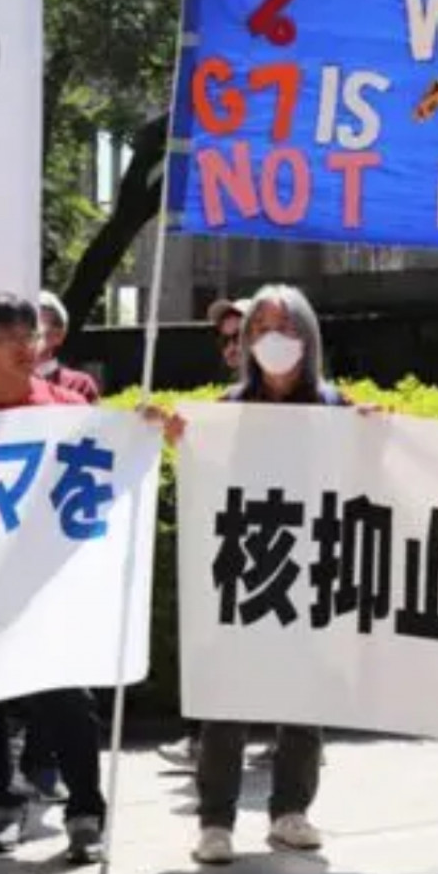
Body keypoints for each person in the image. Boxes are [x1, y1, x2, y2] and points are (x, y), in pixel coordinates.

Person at [169, 284, 366, 868]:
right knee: (226, 702)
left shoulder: (335, 407)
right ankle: (215, 821)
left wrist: (376, 432)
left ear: (308, 338)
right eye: (261, 330)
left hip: (311, 568)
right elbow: (205, 478)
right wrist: (180, 438)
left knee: (304, 699)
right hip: (245, 565)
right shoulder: (226, 409)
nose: (273, 342)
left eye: (285, 329)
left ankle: (290, 811)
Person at [0, 293, 109, 864]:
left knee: (68, 702)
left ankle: (86, 812)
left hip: (46, 586)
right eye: (8, 338)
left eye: (29, 336)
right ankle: (2, 808)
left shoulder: (66, 409)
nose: (24, 348)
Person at [160, 297, 254, 773]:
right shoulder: (221, 406)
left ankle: (297, 738)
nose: (232, 346)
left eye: (242, 335)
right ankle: (205, 741)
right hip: (234, 538)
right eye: (226, 338)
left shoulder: (312, 401)